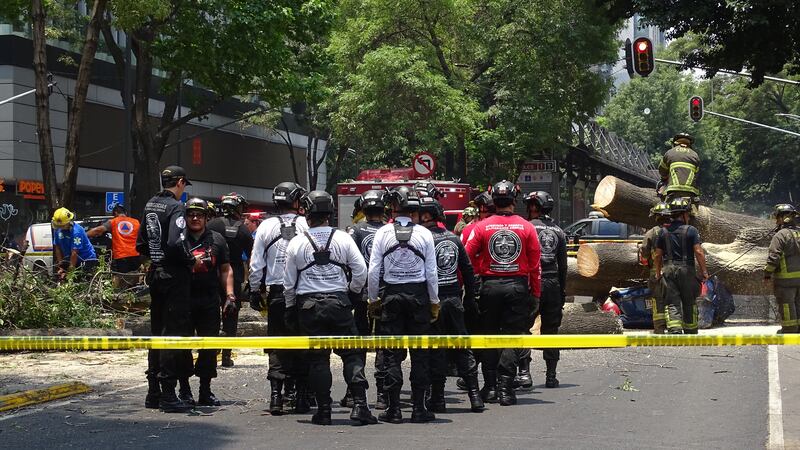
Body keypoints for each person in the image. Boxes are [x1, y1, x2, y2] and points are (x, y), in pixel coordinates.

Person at [283, 190, 377, 426]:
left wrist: (290, 308)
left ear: (306, 212)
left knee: (318, 360)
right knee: (352, 354)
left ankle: (324, 411)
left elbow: (288, 283)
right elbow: (361, 271)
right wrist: (353, 294)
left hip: (308, 307)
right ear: (330, 211)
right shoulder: (344, 238)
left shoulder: (296, 242)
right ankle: (359, 406)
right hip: (339, 303)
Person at [465, 180, 541, 406]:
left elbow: (466, 256)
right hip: (517, 288)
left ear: (493, 201)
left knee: (489, 335)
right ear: (514, 201)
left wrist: (477, 277)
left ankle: (489, 387)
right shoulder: (527, 227)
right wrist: (536, 294)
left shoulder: (481, 227)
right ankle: (506, 388)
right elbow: (536, 265)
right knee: (512, 336)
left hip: (489, 288)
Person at [367, 186, 439, 424]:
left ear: (393, 207)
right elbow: (431, 272)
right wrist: (434, 301)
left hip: (392, 297)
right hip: (418, 297)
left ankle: (394, 409)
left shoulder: (383, 233)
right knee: (421, 355)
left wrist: (373, 298)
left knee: (391, 355)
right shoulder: (424, 234)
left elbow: (374, 269)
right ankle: (419, 408)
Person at [135, 165, 196, 412]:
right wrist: (190, 259)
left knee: (157, 333)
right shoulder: (176, 207)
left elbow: (141, 244)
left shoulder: (150, 204)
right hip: (174, 277)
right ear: (180, 182)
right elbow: (175, 242)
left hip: (156, 274)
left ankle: (153, 392)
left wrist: (157, 257)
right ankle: (169, 393)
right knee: (173, 333)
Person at [418, 194, 484, 413]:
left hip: (432, 303)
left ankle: (438, 398)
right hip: (454, 300)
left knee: (435, 350)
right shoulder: (453, 239)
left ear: (425, 215)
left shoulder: (421, 239)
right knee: (462, 347)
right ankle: (475, 396)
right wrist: (470, 298)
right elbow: (467, 270)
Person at [248, 181, 309, 415]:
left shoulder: (265, 226)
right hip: (302, 293)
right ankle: (300, 396)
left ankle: (276, 396)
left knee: (276, 344)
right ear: (296, 200)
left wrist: (255, 290)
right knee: (302, 343)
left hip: (276, 294)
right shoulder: (305, 224)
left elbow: (256, 263)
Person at [178, 197, 235, 407]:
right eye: (191, 214)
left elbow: (225, 269)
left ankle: (205, 390)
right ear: (185, 217)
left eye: (199, 215)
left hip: (210, 301)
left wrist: (230, 295)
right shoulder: (179, 239)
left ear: (206, 217)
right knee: (182, 347)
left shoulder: (217, 239)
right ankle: (184, 390)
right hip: (183, 301)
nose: (195, 218)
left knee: (209, 347)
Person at [344, 189, 387, 409]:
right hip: (384, 295)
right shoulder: (391, 231)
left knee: (358, 343)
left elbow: (345, 261)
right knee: (383, 344)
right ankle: (382, 395)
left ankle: (354, 393)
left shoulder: (354, 230)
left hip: (360, 295)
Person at [524, 191, 567, 389]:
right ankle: (551, 376)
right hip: (553, 284)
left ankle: (524, 373)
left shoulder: (528, 227)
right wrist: (562, 292)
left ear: (535, 207)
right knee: (551, 331)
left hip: (533, 283)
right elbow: (563, 266)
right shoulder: (559, 231)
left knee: (523, 327)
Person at [208, 192, 254, 367]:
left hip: (212, 274)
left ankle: (210, 353)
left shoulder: (211, 224)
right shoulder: (243, 230)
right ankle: (226, 356)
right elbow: (252, 257)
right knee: (231, 315)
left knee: (211, 313)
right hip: (233, 277)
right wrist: (253, 281)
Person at [654, 197, 709, 334]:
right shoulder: (691, 230)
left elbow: (657, 255)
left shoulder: (663, 232)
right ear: (684, 214)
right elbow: (698, 252)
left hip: (668, 270)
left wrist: (657, 272)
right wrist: (704, 271)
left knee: (672, 301)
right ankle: (690, 329)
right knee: (689, 300)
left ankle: (675, 329)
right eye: (688, 214)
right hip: (686, 270)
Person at [764, 204, 800, 334]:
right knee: (798, 303)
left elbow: (774, 257)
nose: (776, 220)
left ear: (783, 218)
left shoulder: (780, 236)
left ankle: (790, 329)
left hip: (785, 281)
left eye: (777, 217)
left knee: (787, 304)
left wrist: (767, 274)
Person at [87, 204, 141, 289]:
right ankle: (135, 297)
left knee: (121, 280)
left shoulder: (114, 221)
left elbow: (98, 230)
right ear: (125, 213)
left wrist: (84, 235)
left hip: (121, 255)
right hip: (135, 254)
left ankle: (120, 297)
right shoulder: (136, 222)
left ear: (115, 213)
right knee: (135, 278)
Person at [639, 201, 671, 334]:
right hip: (674, 270)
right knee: (673, 299)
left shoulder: (651, 233)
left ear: (657, 217)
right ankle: (675, 326)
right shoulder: (676, 230)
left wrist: (646, 262)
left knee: (658, 300)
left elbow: (645, 253)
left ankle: (659, 328)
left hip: (656, 272)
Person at [51, 207, 99, 280]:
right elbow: (57, 248)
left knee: (79, 281)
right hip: (70, 258)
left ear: (69, 222)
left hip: (85, 260)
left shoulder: (77, 232)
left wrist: (70, 271)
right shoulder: (57, 229)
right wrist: (61, 266)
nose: (60, 227)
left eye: (62, 225)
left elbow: (74, 253)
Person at [658, 133, 701, 203]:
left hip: (672, 190)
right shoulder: (695, 155)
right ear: (689, 144)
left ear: (675, 143)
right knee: (693, 211)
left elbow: (662, 171)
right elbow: (697, 175)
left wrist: (666, 178)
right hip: (690, 192)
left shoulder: (669, 153)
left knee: (663, 210)